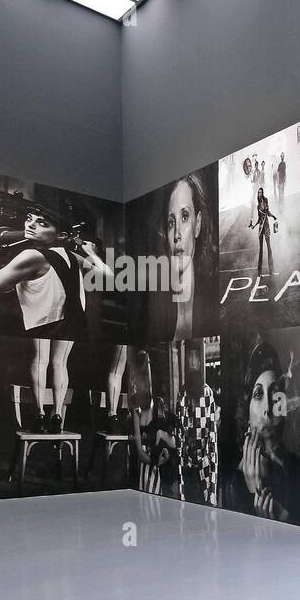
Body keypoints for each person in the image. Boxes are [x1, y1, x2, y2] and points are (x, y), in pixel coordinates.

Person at [0, 207, 111, 431]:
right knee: (59, 364)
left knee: (39, 361)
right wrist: (92, 254)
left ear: (61, 234)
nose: (31, 225)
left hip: (45, 325)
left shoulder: (32, 256)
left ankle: (39, 414)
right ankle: (56, 415)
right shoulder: (72, 256)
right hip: (74, 324)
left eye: (42, 223)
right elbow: (108, 276)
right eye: (29, 219)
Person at [137, 173, 217, 344]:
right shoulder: (155, 303)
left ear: (198, 225)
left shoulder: (213, 303)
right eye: (171, 223)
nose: (177, 235)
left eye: (185, 217)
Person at [229, 340, 298, 520]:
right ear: (247, 412)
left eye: (274, 394)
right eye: (258, 394)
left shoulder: (297, 468)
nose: (267, 407)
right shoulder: (235, 482)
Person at [129, 350, 179, 499]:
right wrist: (156, 462)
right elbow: (139, 452)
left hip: (159, 465)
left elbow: (172, 441)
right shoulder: (136, 409)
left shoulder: (158, 404)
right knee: (149, 497)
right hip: (147, 464)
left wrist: (165, 454)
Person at [174, 340, 219, 506]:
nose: (192, 362)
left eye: (196, 358)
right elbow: (179, 432)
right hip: (187, 465)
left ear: (200, 361)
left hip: (204, 462)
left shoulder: (207, 393)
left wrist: (212, 488)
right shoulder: (183, 393)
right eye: (190, 358)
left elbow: (212, 436)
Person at [253, 187, 277, 277]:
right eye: (258, 193)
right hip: (260, 228)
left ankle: (271, 270)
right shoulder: (258, 206)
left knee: (269, 248)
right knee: (261, 250)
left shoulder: (266, 200)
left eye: (261, 192)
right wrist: (254, 225)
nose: (259, 194)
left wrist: (273, 216)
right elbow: (259, 219)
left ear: (262, 193)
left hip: (266, 226)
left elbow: (268, 212)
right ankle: (259, 272)